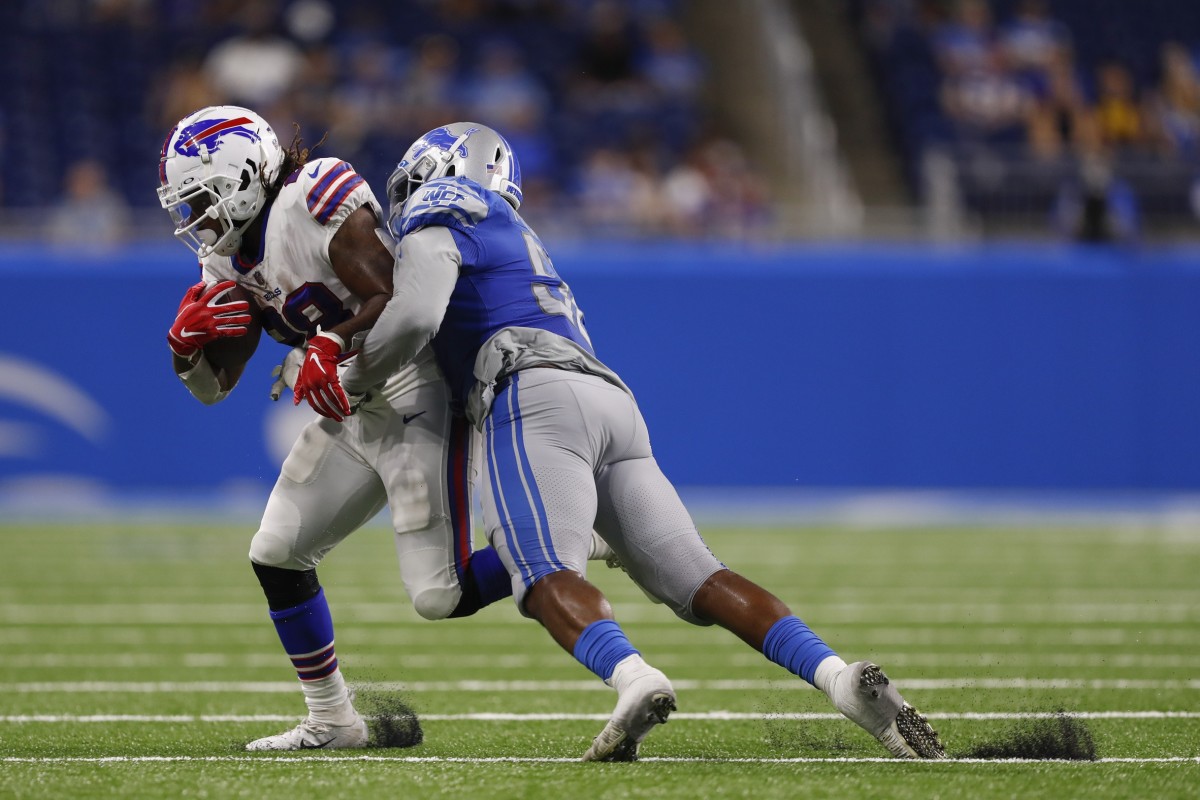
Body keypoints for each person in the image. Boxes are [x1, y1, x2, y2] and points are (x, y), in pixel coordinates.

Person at [338, 123, 947, 761]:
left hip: (530, 394)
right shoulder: (517, 236)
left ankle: (634, 677)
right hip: (609, 401)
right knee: (700, 578)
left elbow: (413, 314)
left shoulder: (451, 207)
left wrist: (350, 374)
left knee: (542, 574)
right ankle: (838, 677)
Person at [156, 106, 522, 751]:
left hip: (412, 384)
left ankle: (567, 538)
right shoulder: (226, 263)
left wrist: (331, 341)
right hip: (348, 399)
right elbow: (215, 390)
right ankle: (333, 719)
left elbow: (392, 296)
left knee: (441, 593)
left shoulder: (313, 194)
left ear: (244, 175)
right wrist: (184, 350)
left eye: (203, 200)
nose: (197, 220)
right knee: (275, 552)